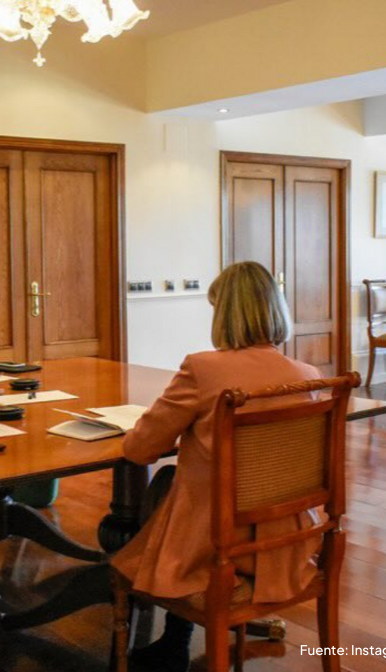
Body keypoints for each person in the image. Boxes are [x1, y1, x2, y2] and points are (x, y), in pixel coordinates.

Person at [111, 262, 320, 672]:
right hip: (288, 545)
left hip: (221, 549)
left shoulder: (203, 370)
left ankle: (169, 637)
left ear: (223, 314)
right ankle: (175, 639)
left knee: (169, 488)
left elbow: (140, 450)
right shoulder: (308, 376)